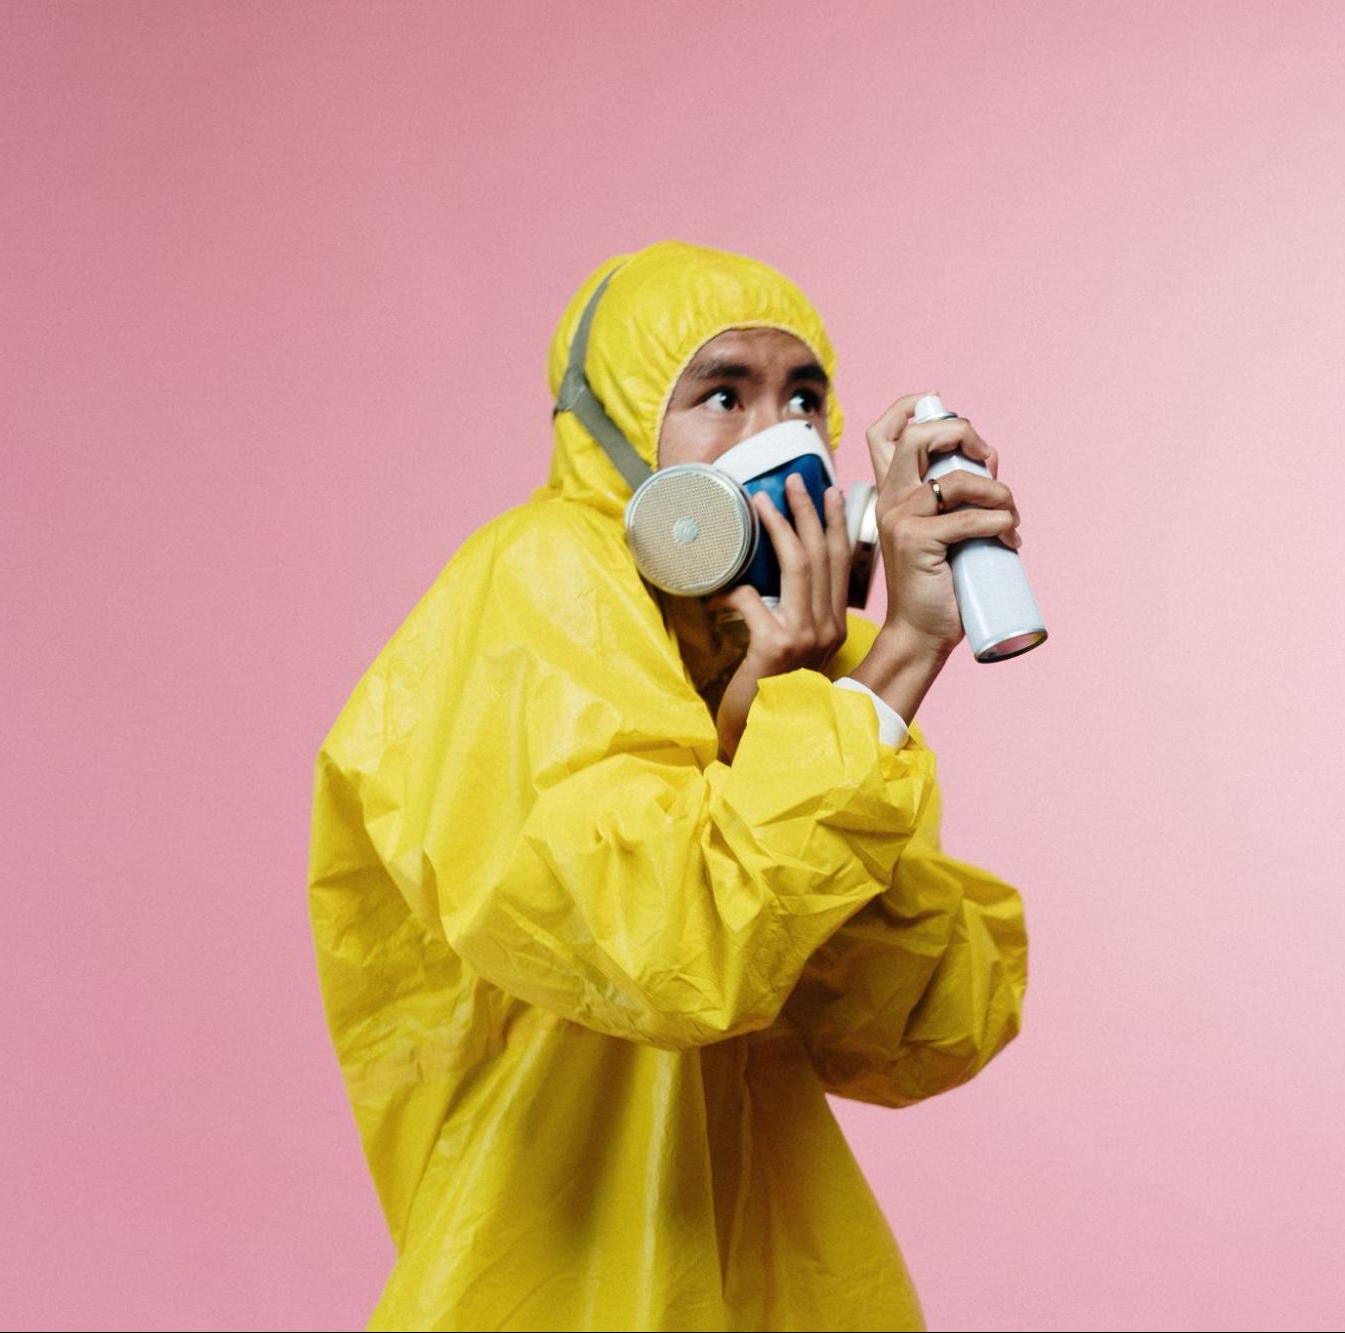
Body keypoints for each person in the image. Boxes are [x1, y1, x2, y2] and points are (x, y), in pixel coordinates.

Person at [307, 239, 1031, 1331]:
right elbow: (668, 947)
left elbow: (924, 1032)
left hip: (773, 1285)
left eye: (803, 397)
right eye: (722, 394)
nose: (773, 435)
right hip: (557, 1285)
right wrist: (894, 667)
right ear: (617, 417)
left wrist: (790, 692)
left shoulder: (796, 679)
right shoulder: (540, 577)